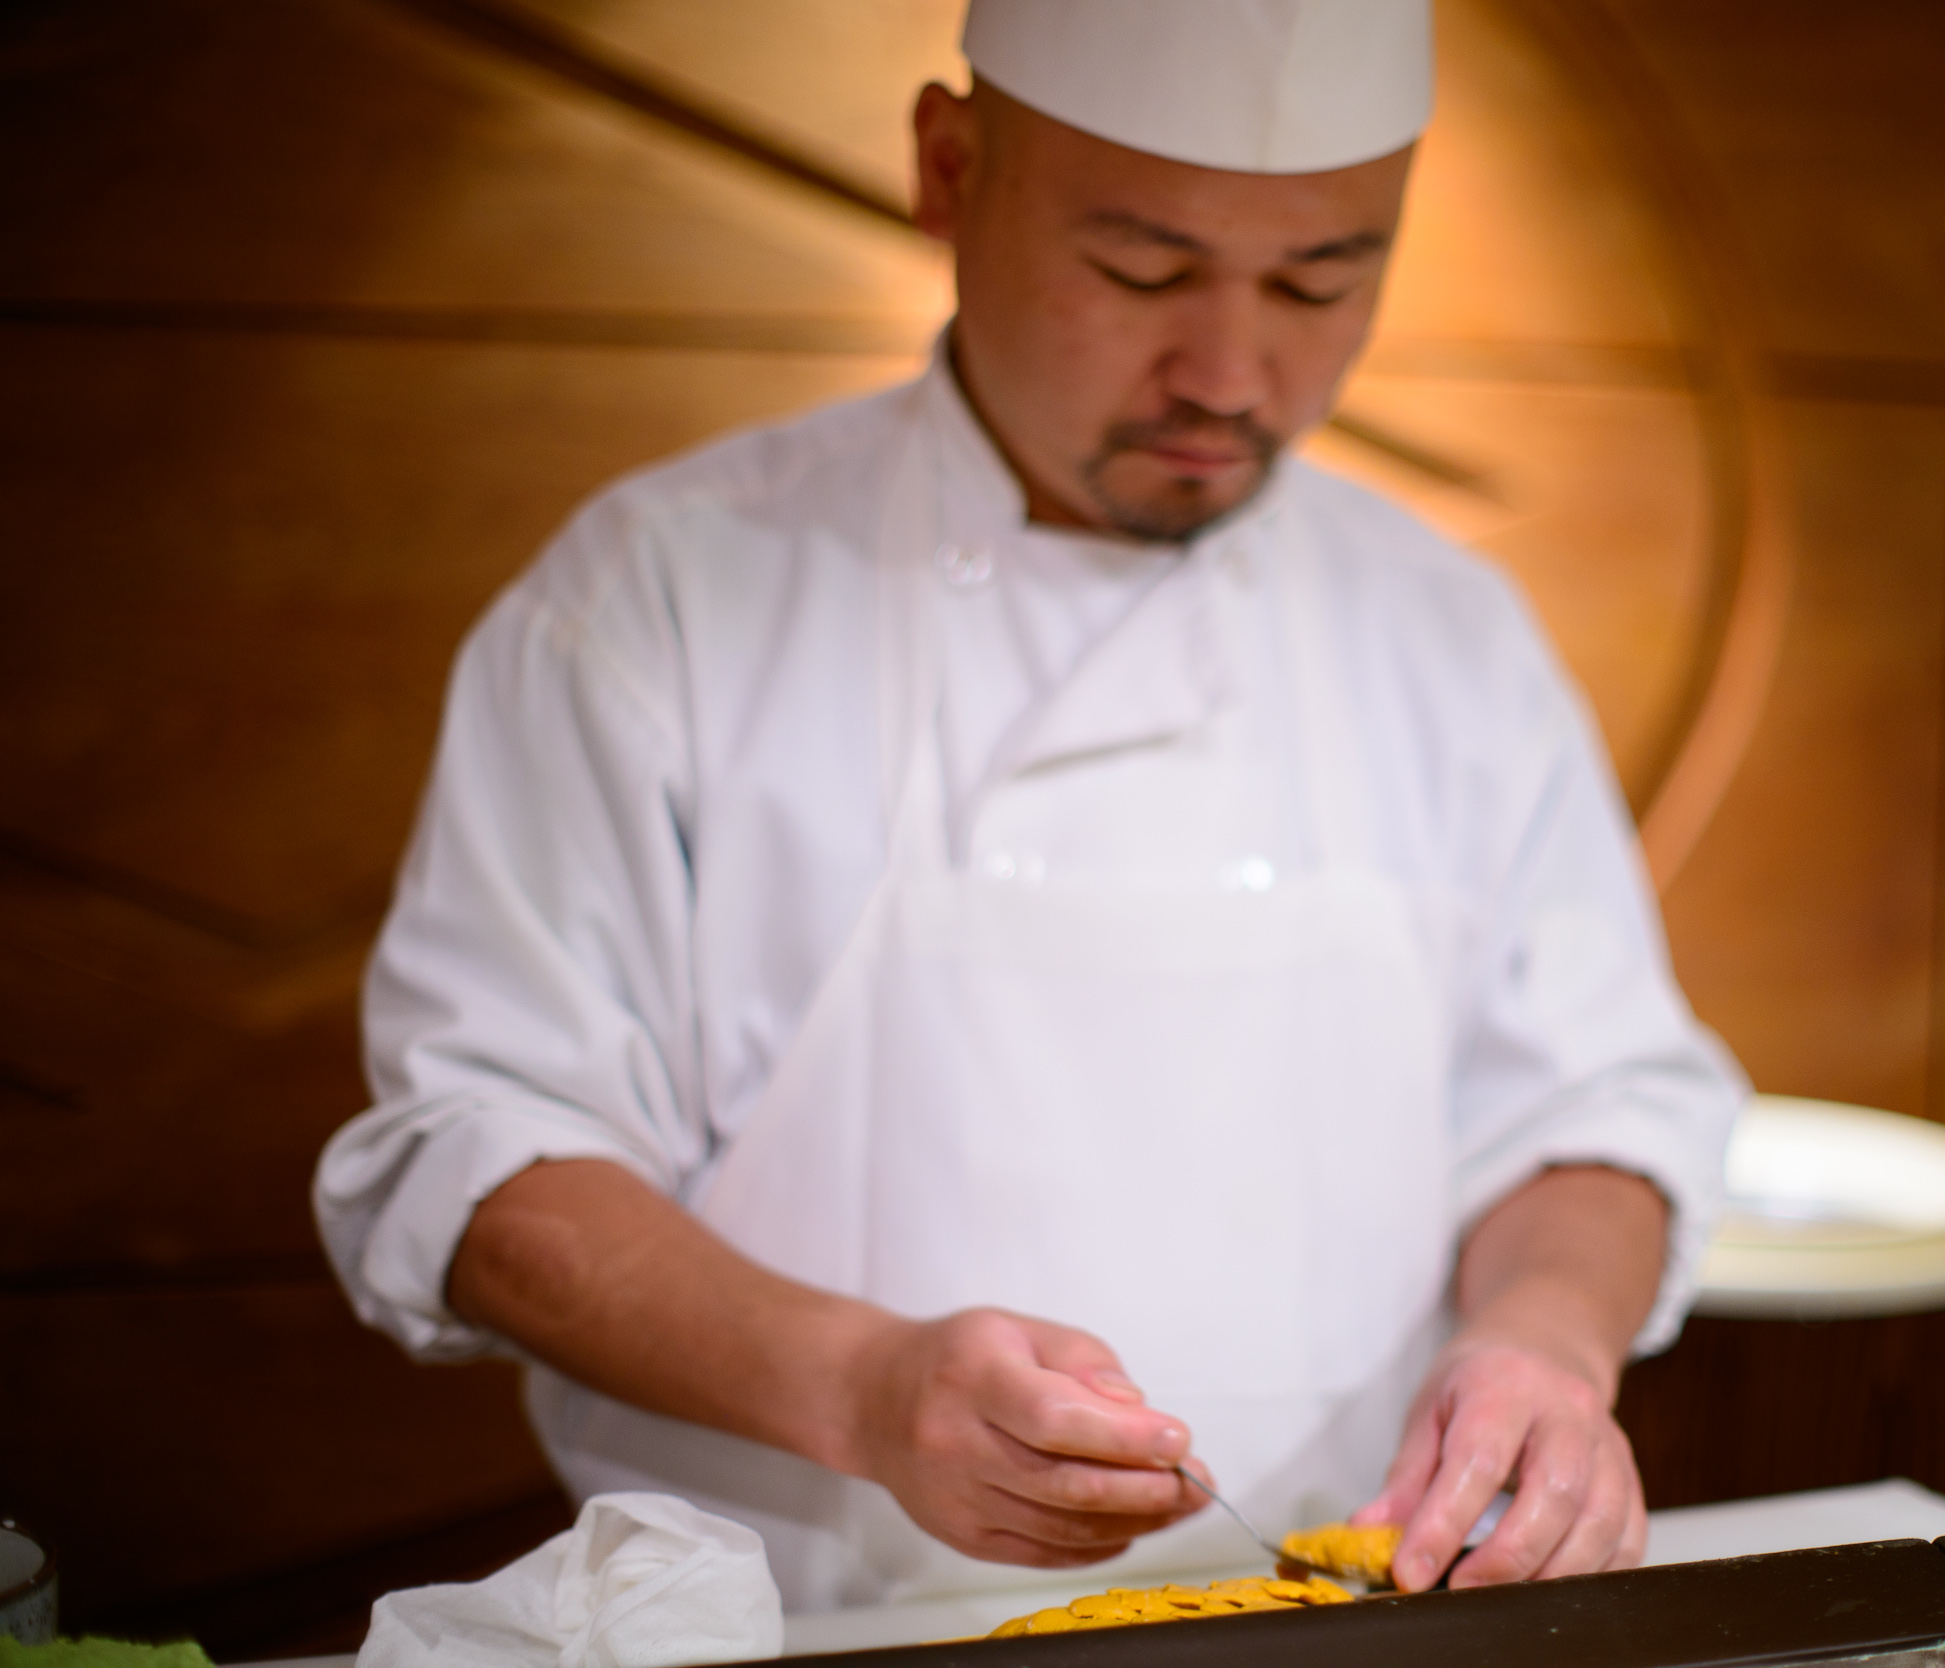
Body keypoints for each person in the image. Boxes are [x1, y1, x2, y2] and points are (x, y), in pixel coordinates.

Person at [315, 0, 1746, 1614]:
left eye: (1321, 280)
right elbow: (480, 1149)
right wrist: (859, 1382)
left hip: (1351, 1623)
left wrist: (1545, 1346)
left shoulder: (1448, 630)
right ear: (950, 167)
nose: (1229, 371)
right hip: (807, 1638)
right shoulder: (656, 599)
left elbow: (1596, 1109)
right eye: (1140, 269)